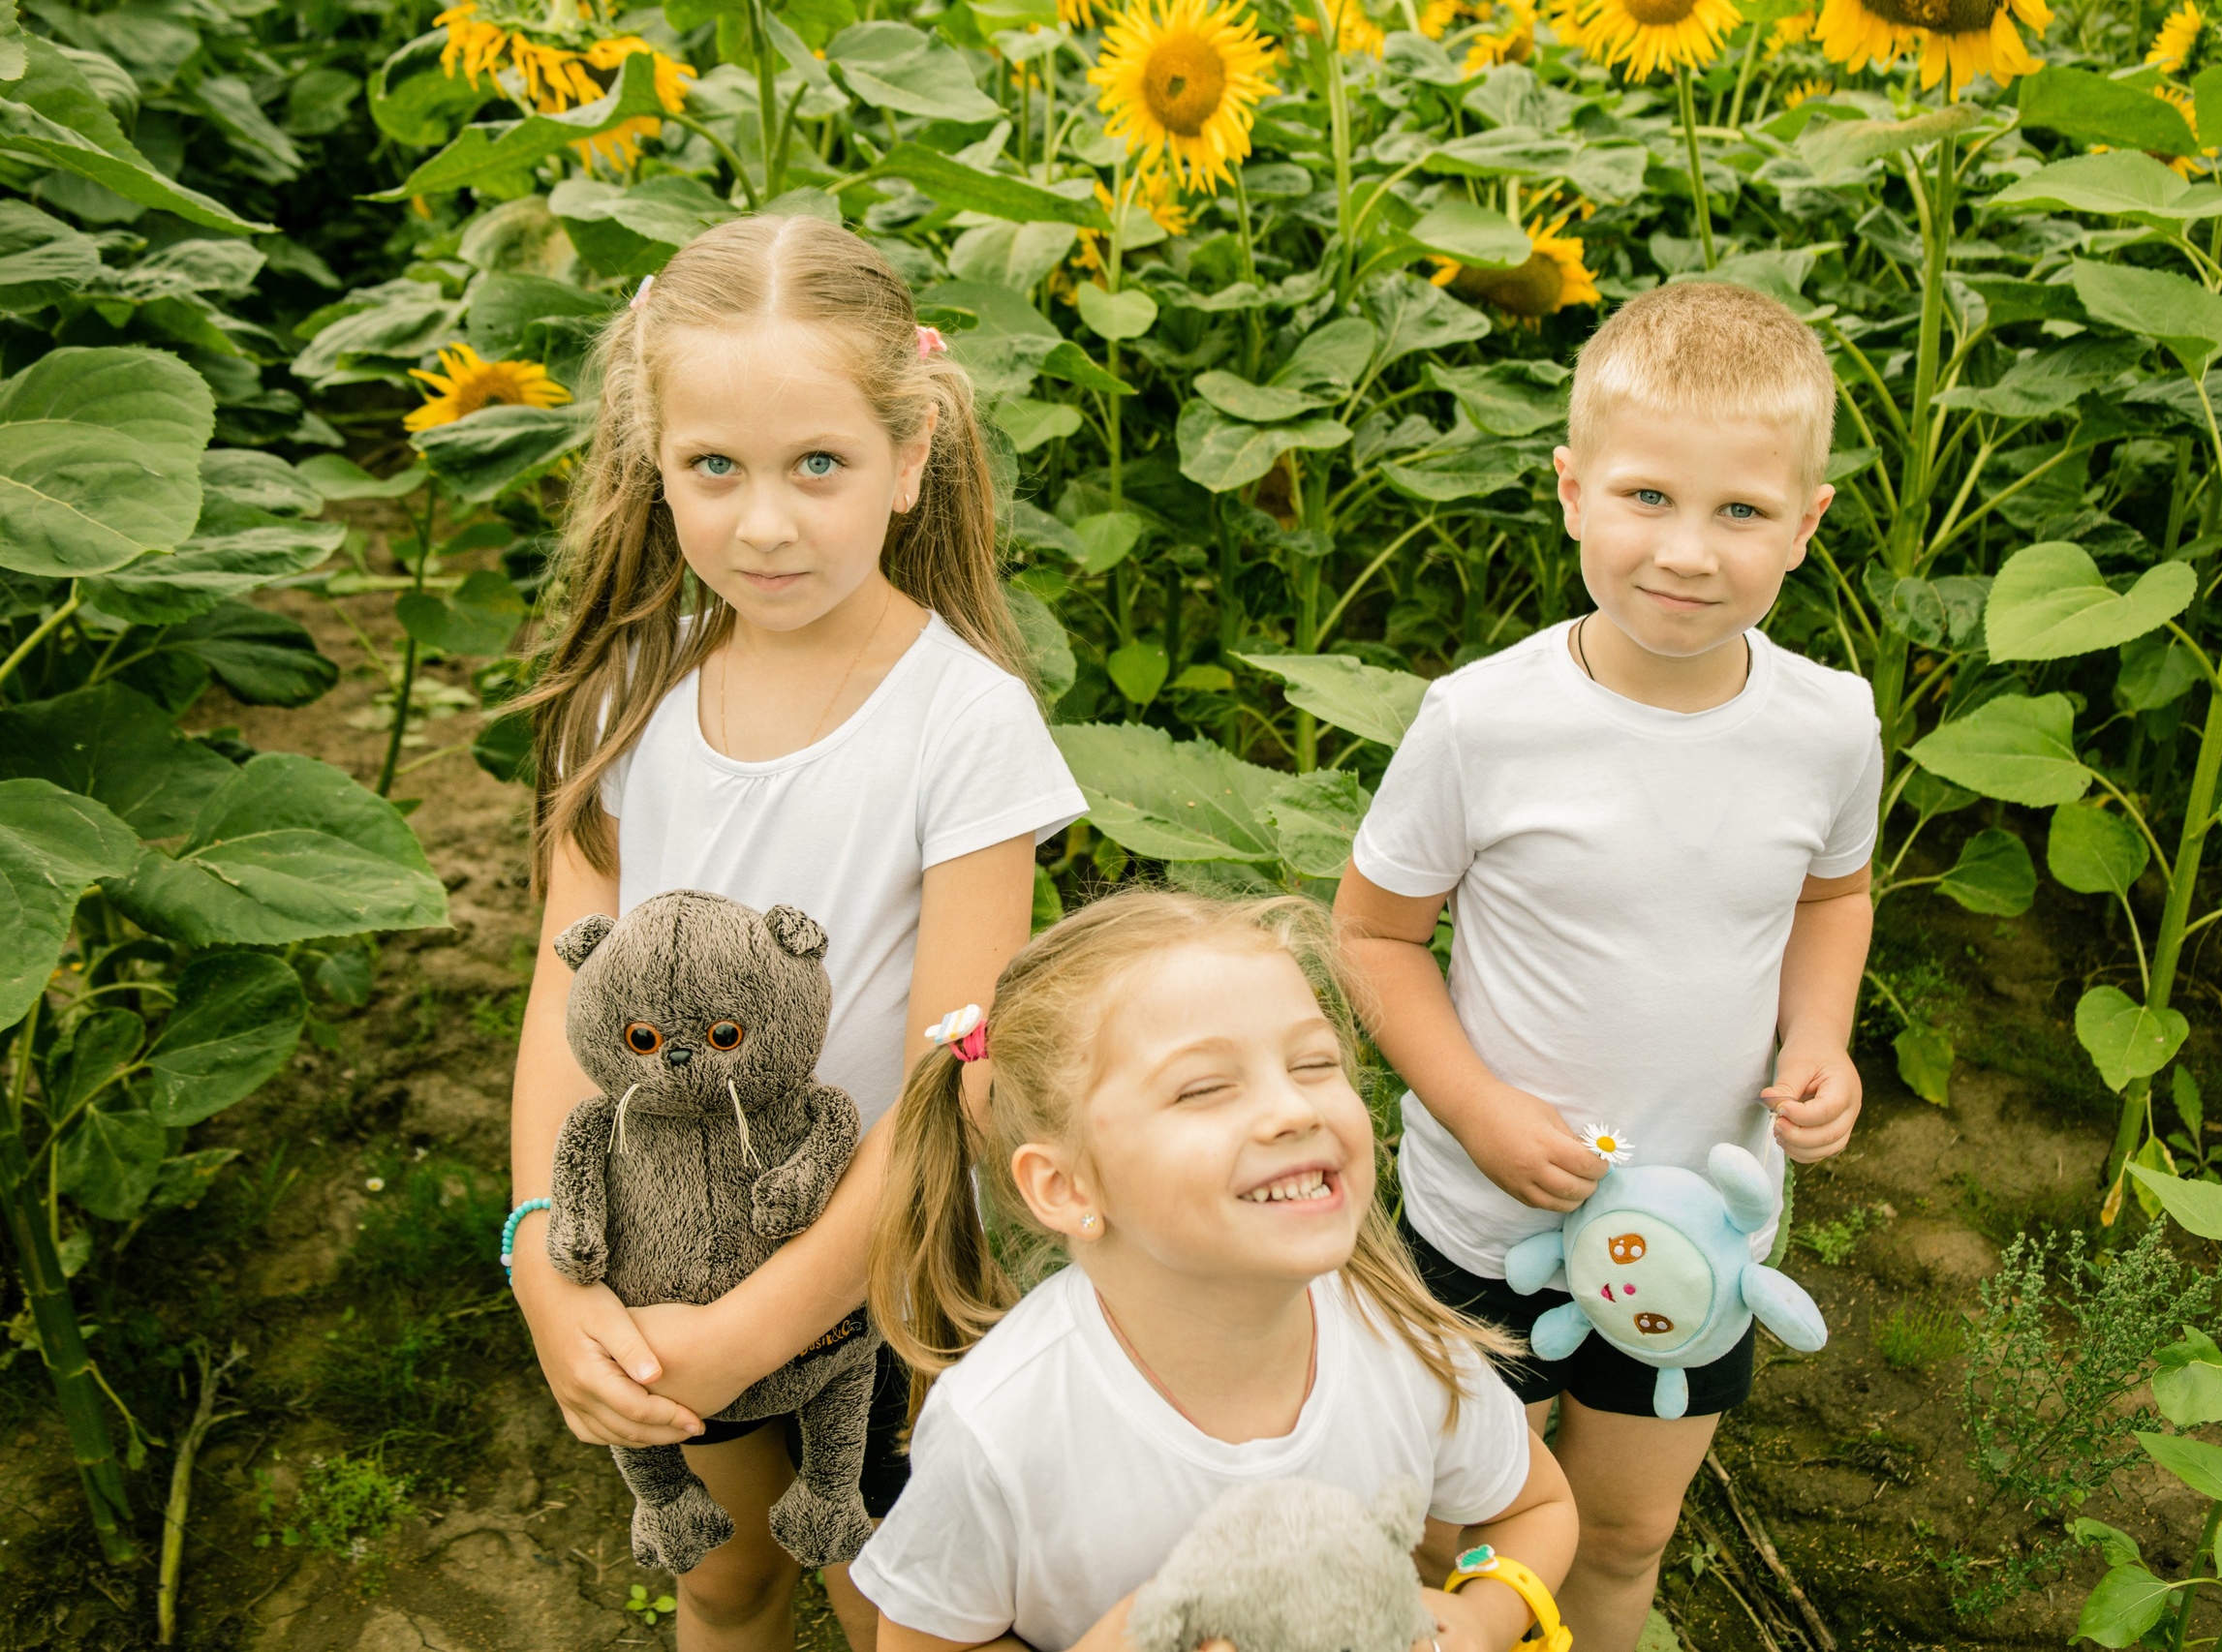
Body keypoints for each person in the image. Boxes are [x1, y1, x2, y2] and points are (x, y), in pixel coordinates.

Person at [502, 215, 1088, 1652]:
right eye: (715, 466)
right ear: (655, 461)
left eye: (817, 463)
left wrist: (754, 1331)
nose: (764, 522)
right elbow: (564, 1001)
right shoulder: (626, 689)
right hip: (657, 1253)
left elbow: (952, 1075)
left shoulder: (964, 724)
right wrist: (541, 1256)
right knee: (723, 1576)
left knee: (898, 1607)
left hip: (872, 1271)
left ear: (910, 455)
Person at [1333, 280, 1879, 1651]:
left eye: (1740, 510)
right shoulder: (1484, 723)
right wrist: (1476, 1107)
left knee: (1626, 1532)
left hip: (1698, 1231)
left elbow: (1834, 893)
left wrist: (1820, 1036)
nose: (1687, 551)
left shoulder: (1827, 726)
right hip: (1492, 1215)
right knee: (1467, 1532)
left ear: (1806, 525)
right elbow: (1374, 932)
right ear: (1572, 492)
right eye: (1646, 496)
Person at [854, 890, 1578, 1652]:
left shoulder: (1399, 1341)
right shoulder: (1000, 1428)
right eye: (1204, 1087)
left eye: (1315, 1063)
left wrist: (1484, 1613)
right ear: (1066, 1187)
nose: (1295, 1109)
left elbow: (1531, 1509)